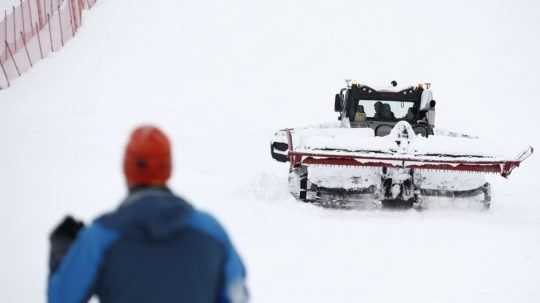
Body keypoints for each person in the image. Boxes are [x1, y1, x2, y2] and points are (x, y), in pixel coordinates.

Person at [47, 125, 248, 303]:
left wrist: (62, 257)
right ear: (168, 168)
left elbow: (61, 298)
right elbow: (237, 296)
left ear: (126, 168)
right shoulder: (211, 231)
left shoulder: (100, 237)